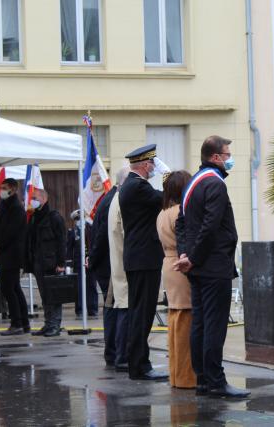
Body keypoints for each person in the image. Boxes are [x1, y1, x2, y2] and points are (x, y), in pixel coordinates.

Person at [174, 135, 249, 398]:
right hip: (213, 265)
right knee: (214, 326)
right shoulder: (215, 185)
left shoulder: (192, 184)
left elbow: (181, 223)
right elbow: (210, 226)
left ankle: (203, 380)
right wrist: (192, 256)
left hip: (197, 267)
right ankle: (216, 382)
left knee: (201, 325)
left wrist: (185, 253)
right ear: (215, 157)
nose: (230, 159)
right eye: (227, 155)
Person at [118, 144, 168, 381]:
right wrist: (168, 176)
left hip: (139, 257)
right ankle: (139, 365)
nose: (154, 169)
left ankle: (138, 362)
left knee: (140, 312)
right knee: (143, 314)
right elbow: (169, 197)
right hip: (144, 258)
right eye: (153, 165)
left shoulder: (131, 184)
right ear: (146, 164)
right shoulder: (138, 187)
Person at [156, 170, 196, 389]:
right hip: (180, 267)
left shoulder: (163, 212)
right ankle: (186, 377)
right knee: (185, 321)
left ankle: (176, 374)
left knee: (175, 319)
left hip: (168, 264)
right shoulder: (180, 211)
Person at [25, 189, 67, 337]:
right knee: (44, 296)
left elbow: (62, 241)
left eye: (35, 198)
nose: (32, 200)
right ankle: (48, 324)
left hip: (51, 262)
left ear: (43, 199)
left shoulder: (54, 217)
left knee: (54, 295)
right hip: (38, 262)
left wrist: (61, 263)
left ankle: (55, 325)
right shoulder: (35, 217)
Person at [89, 171, 120, 366]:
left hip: (105, 263)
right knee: (112, 309)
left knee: (112, 309)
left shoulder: (109, 199)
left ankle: (113, 351)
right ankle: (112, 353)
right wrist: (93, 260)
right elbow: (101, 236)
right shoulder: (111, 202)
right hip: (108, 266)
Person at [0, 178, 30, 336]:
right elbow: (0, 228)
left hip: (11, 254)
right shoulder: (5, 206)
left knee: (8, 288)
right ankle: (24, 322)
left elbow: (10, 232)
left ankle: (17, 323)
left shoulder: (16, 208)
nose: (2, 190)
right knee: (14, 288)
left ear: (13, 189)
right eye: (1, 187)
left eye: (5, 187)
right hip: (6, 253)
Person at [108, 168, 130, 372]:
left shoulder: (116, 199)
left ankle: (121, 355)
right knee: (125, 309)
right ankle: (123, 357)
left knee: (123, 308)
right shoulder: (122, 201)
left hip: (120, 263)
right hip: (125, 265)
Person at [68, 211, 98, 317]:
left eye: (81, 218)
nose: (79, 221)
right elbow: (69, 249)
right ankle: (80, 309)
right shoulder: (73, 232)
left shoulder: (91, 229)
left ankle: (92, 308)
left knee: (91, 285)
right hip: (78, 263)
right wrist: (69, 263)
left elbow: (95, 244)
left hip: (90, 261)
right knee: (79, 287)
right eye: (77, 219)